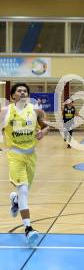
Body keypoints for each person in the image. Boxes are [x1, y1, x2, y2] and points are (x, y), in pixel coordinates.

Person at [0, 82, 49, 245]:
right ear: (13, 95)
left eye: (25, 91)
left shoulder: (35, 111)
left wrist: (43, 131)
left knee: (23, 192)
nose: (22, 93)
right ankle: (28, 229)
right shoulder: (6, 112)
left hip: (31, 156)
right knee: (24, 191)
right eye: (19, 91)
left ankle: (14, 200)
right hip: (15, 155)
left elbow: (46, 126)